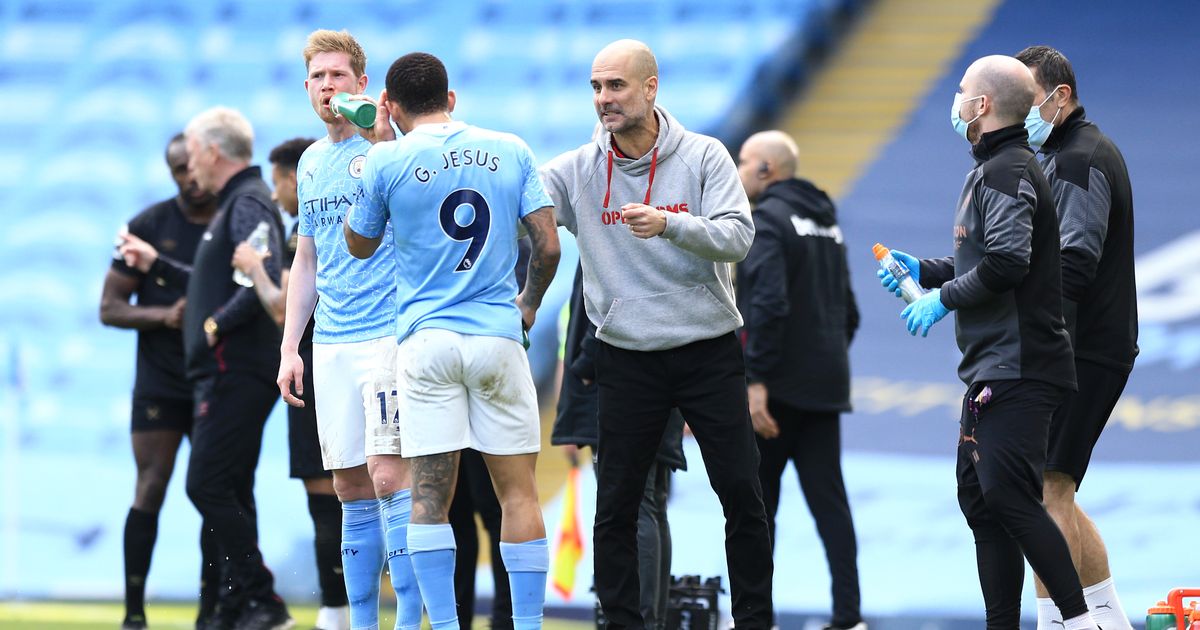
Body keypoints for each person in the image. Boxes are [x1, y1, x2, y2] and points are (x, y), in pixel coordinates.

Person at [539, 38, 774, 630]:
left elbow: (738, 237)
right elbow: (513, 204)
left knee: (743, 497)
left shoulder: (705, 156)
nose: (603, 99)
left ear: (650, 87)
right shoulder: (576, 170)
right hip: (627, 356)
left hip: (707, 350)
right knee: (614, 507)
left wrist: (671, 224)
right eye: (595, 87)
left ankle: (754, 622)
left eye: (615, 85)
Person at [877, 55, 1099, 629]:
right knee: (981, 501)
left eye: (961, 92)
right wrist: (925, 272)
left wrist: (941, 300)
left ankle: (1077, 622)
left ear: (980, 106)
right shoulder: (995, 167)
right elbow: (980, 258)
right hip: (994, 363)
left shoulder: (1006, 170)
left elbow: (1006, 262)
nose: (955, 100)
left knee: (1010, 498)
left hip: (1020, 364)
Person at [344, 52, 561, 630]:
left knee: (428, 500)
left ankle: (443, 627)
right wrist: (529, 303)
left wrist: (375, 149)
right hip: (496, 336)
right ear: (452, 99)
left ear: (388, 103)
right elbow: (549, 246)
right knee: (519, 494)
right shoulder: (510, 149)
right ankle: (530, 625)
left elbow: (359, 245)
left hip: (427, 343)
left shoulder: (385, 160)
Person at [272, 29, 422, 630]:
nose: (328, 86)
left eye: (339, 76)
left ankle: (409, 618)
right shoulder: (309, 162)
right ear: (307, 88)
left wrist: (382, 137)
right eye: (318, 77)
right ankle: (362, 622)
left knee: (390, 476)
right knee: (348, 486)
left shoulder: (389, 145)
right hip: (331, 340)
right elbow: (305, 261)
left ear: (363, 84)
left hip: (388, 334)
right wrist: (291, 346)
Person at [119, 106, 291, 630]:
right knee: (229, 487)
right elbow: (213, 279)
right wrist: (159, 267)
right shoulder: (238, 204)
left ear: (213, 152)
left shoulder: (247, 204)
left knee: (207, 484)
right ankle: (231, 608)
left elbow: (262, 278)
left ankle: (261, 600)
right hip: (225, 369)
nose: (187, 163)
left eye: (191, 151)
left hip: (233, 368)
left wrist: (214, 326)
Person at [1016, 45, 1138, 630]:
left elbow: (1074, 263)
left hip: (1079, 347)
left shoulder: (1078, 159)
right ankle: (1104, 619)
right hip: (1090, 344)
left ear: (1060, 96)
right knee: (1057, 484)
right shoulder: (1069, 151)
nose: (1020, 113)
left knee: (1044, 493)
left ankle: (1058, 622)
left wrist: (1039, 347)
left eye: (1028, 99)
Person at [735, 130, 864, 630]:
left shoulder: (766, 217)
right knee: (830, 503)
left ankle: (754, 619)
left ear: (766, 168)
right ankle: (848, 617)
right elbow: (847, 312)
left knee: (756, 507)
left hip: (776, 391)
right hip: (825, 383)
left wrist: (757, 380)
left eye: (744, 162)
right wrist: (823, 358)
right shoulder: (827, 222)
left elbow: (766, 302)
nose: (739, 171)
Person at [232, 135, 352, 630]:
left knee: (327, 494)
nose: (279, 196)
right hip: (346, 357)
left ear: (289, 178)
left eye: (281, 184)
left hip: (316, 364)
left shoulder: (306, 229)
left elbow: (284, 307)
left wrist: (256, 269)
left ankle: (336, 611)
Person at [100, 133, 220, 630]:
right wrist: (163, 316)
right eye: (176, 171)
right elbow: (109, 308)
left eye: (191, 166)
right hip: (161, 381)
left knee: (216, 490)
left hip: (216, 379)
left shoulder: (234, 220)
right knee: (150, 486)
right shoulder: (148, 225)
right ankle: (133, 612)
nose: (187, 178)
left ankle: (213, 609)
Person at [551, 262, 687, 630]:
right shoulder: (659, 223)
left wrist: (583, 366)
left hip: (619, 381)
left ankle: (639, 622)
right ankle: (650, 621)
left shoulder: (612, 231)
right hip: (662, 373)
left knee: (635, 506)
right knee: (652, 504)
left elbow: (605, 308)